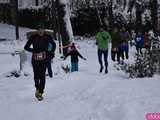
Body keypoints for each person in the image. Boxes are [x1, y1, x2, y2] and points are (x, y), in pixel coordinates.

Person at [24, 24, 56, 101]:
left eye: (42, 29)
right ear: (37, 30)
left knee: (42, 76)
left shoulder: (48, 37)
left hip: (44, 59)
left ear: (44, 30)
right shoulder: (33, 37)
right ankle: (37, 88)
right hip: (35, 60)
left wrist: (50, 52)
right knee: (36, 76)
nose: (40, 31)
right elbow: (26, 47)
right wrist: (33, 50)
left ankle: (40, 93)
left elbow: (54, 45)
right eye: (39, 29)